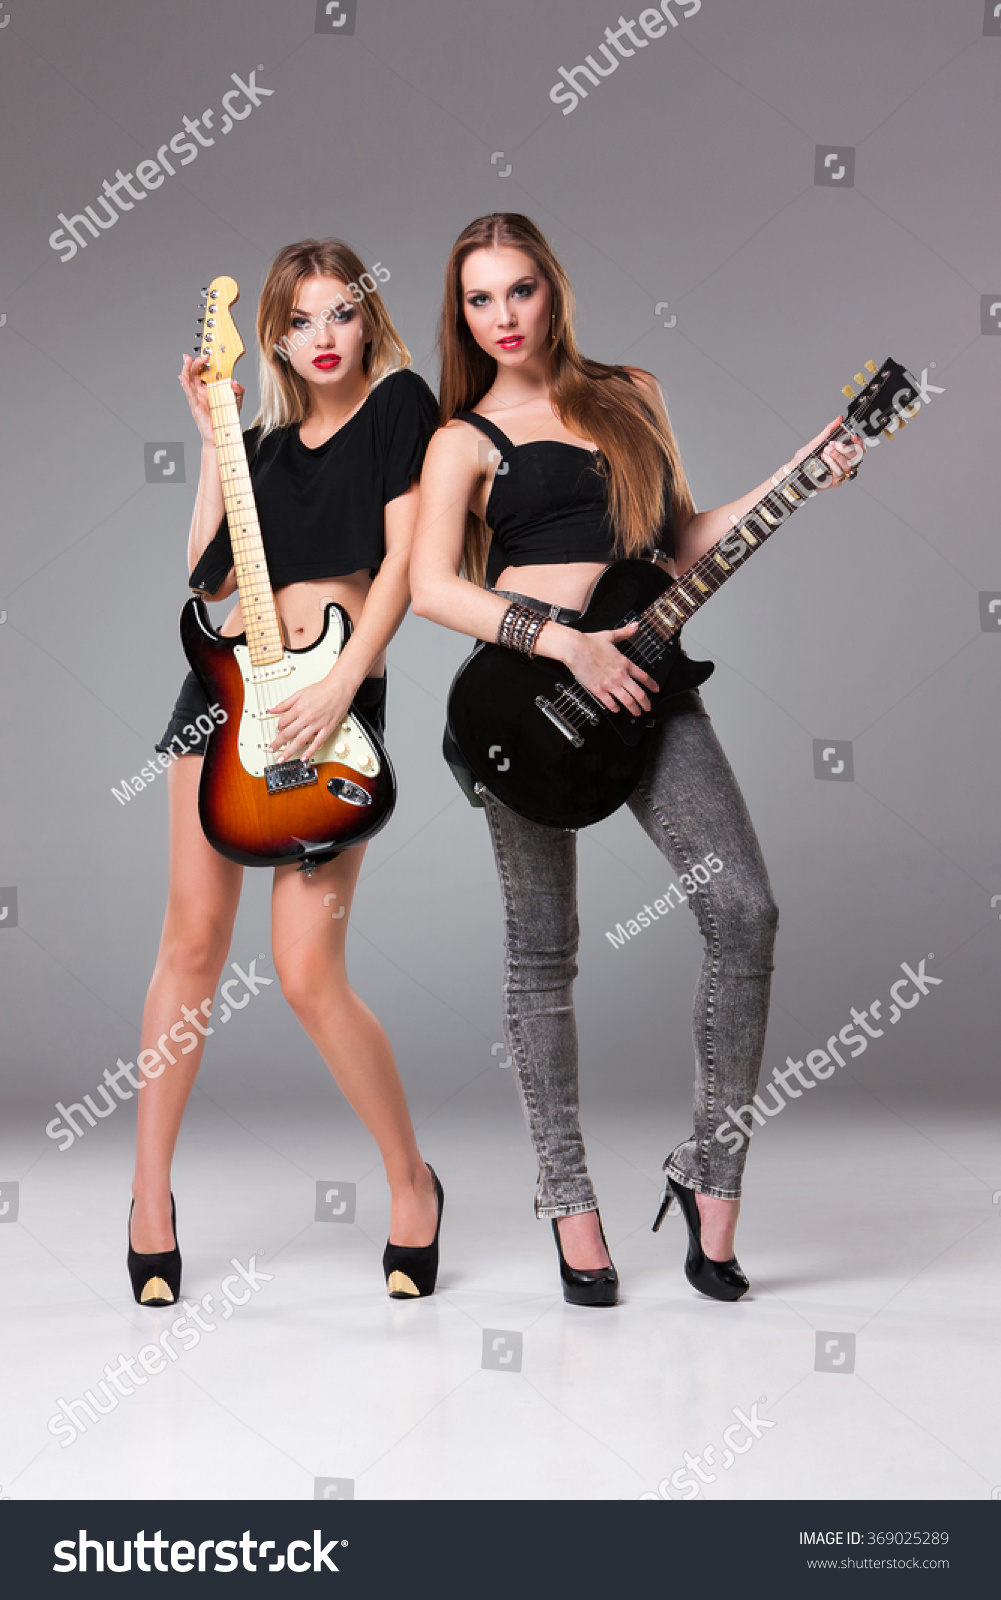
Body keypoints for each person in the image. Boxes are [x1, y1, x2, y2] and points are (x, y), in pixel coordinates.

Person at [410, 213, 860, 1306]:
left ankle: (711, 1173)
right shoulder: (462, 439)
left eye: (518, 289)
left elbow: (680, 543)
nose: (502, 316)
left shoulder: (631, 392)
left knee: (743, 911)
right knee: (541, 955)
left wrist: (808, 467)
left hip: (647, 691)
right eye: (479, 298)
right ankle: (564, 1193)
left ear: (551, 290)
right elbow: (431, 587)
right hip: (521, 706)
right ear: (461, 312)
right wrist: (564, 639)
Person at [128, 238, 443, 1309]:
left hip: (333, 709)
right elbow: (203, 574)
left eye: (339, 315)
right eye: (299, 322)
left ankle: (412, 1182)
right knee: (189, 941)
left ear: (366, 320)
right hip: (226, 704)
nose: (322, 338)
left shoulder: (401, 405)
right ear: (272, 337)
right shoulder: (258, 442)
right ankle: (149, 1200)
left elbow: (404, 565)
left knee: (307, 970)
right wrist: (214, 437)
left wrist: (343, 685)